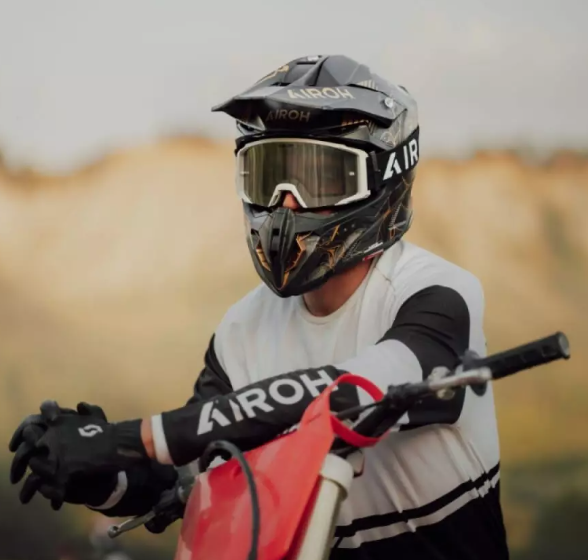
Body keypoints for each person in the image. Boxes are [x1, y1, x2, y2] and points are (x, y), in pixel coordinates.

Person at [8, 55, 509, 559]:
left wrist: (132, 438)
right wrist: (103, 474)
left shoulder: (436, 292)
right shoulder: (242, 330)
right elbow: (191, 470)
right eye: (268, 176)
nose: (284, 204)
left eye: (318, 178)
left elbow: (352, 392)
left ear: (384, 176)